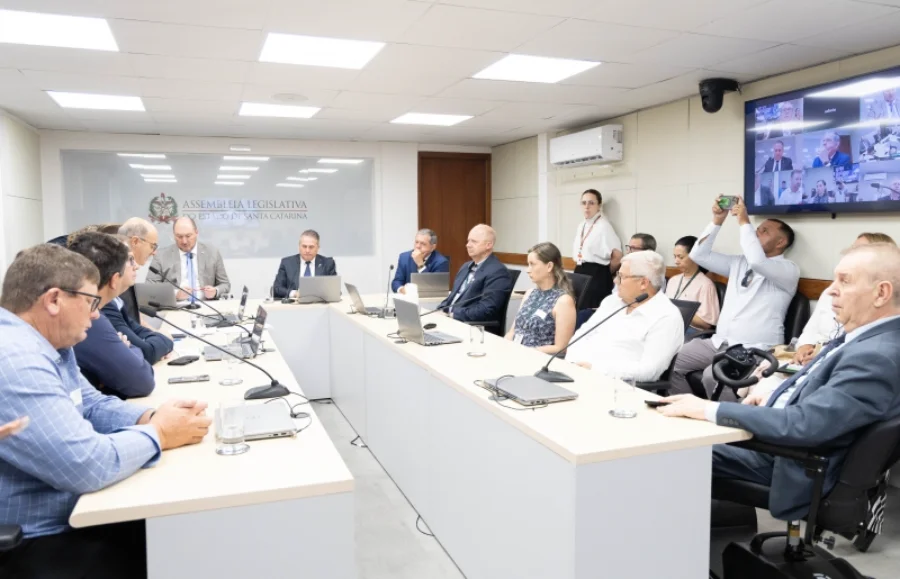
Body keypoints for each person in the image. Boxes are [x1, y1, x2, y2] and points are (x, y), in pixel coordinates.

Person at [0, 243, 210, 579]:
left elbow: (92, 404)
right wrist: (160, 433)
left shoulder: (50, 343)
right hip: (39, 539)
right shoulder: (15, 359)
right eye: (90, 302)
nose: (96, 314)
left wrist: (150, 417)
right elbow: (86, 464)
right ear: (53, 300)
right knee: (180, 544)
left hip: (75, 511)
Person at [659, 242, 900, 521]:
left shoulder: (876, 355)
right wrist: (772, 400)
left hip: (792, 463)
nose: (830, 290)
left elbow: (806, 425)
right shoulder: (870, 339)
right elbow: (825, 398)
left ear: (881, 293)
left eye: (844, 281)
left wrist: (708, 409)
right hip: (788, 446)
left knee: (668, 451)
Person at [669, 196, 799, 399]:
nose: (756, 232)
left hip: (754, 349)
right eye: (757, 229)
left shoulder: (788, 270)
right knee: (671, 361)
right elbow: (698, 255)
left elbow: (757, 262)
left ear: (781, 242)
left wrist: (744, 221)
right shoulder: (738, 263)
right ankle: (685, 409)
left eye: (764, 231)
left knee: (712, 375)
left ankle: (726, 417)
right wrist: (717, 220)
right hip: (718, 342)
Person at [565, 251, 684, 382]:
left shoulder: (666, 317)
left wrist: (595, 368)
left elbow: (650, 371)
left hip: (617, 386)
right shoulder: (612, 301)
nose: (615, 281)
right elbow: (581, 335)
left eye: (621, 276)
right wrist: (574, 362)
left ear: (643, 283)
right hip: (578, 373)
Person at [68, 233, 156, 399]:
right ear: (115, 279)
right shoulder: (92, 319)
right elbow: (142, 381)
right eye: (130, 261)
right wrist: (129, 349)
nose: (136, 266)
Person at [102, 243, 174, 366]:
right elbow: (147, 352)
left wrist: (159, 344)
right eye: (131, 260)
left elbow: (138, 330)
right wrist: (162, 344)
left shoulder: (115, 302)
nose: (136, 266)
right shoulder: (105, 306)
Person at [505, 242, 576, 354]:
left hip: (537, 358)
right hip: (516, 353)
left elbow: (561, 348)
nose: (528, 270)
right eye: (528, 264)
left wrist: (528, 352)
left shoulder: (563, 301)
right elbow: (512, 331)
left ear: (549, 266)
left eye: (532, 264)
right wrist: (504, 346)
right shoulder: (530, 293)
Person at [439, 224, 512, 324]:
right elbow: (453, 297)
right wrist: (440, 310)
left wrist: (452, 315)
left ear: (488, 245)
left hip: (469, 325)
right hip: (450, 320)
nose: (468, 245)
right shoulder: (465, 267)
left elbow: (486, 309)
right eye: (468, 241)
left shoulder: (498, 272)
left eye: (474, 241)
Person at [147, 216, 230, 301]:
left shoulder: (212, 253)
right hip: (175, 305)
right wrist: (175, 294)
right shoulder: (161, 256)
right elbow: (149, 288)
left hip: (206, 304)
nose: (184, 241)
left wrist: (215, 291)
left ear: (196, 232)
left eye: (188, 236)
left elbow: (225, 284)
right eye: (179, 236)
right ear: (174, 235)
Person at [572, 189, 622, 309]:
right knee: (576, 308)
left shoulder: (604, 226)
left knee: (590, 310)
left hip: (597, 274)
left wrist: (605, 273)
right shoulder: (581, 225)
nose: (587, 206)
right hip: (580, 269)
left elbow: (617, 255)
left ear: (599, 206)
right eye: (584, 203)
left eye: (591, 203)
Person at [665, 236, 720, 335]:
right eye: (675, 256)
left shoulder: (706, 284)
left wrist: (679, 311)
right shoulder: (673, 280)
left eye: (680, 257)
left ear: (695, 257)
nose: (676, 261)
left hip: (691, 330)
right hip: (671, 325)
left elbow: (706, 324)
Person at [273, 230, 337, 299]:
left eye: (311, 247)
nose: (307, 250)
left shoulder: (328, 264)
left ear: (318, 248)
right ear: (299, 246)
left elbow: (334, 290)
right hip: (294, 304)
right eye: (304, 246)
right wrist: (294, 293)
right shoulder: (287, 263)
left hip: (319, 304)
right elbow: (277, 289)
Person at [391, 229, 450, 294]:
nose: (418, 246)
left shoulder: (441, 262)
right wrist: (401, 289)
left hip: (429, 299)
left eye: (423, 244)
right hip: (408, 298)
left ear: (433, 247)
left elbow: (434, 288)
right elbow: (396, 282)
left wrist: (420, 264)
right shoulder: (404, 257)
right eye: (416, 242)